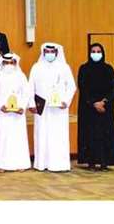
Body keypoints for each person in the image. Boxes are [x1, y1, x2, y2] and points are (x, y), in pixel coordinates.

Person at [28, 43, 77, 172]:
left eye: (52, 51)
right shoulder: (36, 67)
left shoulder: (64, 67)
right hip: (42, 108)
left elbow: (71, 86)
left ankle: (59, 164)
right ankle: (42, 163)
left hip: (59, 109)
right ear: (43, 52)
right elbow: (30, 86)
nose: (49, 53)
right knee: (42, 134)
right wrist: (31, 104)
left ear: (56, 53)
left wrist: (65, 102)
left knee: (58, 135)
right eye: (47, 51)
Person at [77, 43, 114, 171]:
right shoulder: (84, 69)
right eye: (93, 51)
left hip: (105, 109)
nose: (96, 54)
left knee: (104, 135)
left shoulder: (108, 69)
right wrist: (94, 102)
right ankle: (91, 161)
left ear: (103, 53)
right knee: (90, 134)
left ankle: (105, 162)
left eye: (98, 51)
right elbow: (83, 87)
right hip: (88, 108)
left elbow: (113, 88)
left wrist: (104, 102)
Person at [0, 53, 32, 172]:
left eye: (11, 62)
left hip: (18, 112)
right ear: (2, 63)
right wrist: (0, 105)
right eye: (6, 63)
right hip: (2, 111)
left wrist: (22, 106)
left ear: (15, 63)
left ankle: (19, 163)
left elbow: (26, 93)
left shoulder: (21, 76)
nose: (9, 65)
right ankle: (1, 164)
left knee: (18, 137)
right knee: (3, 136)